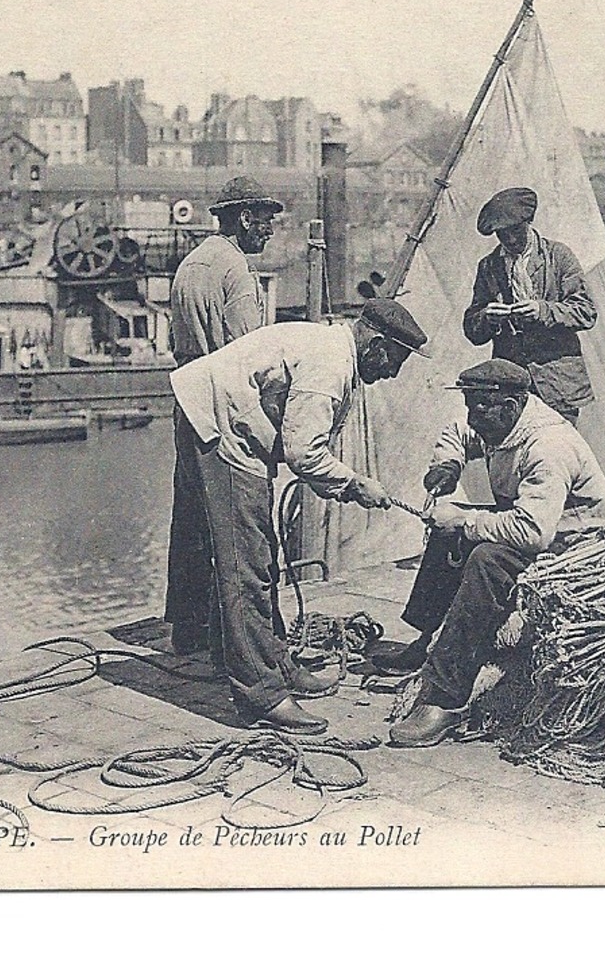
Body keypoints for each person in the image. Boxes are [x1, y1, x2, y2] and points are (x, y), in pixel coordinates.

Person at [170, 299, 430, 735]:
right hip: (222, 426)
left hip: (211, 409)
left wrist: (342, 483)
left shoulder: (334, 349)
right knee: (247, 564)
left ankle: (268, 662)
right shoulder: (331, 364)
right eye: (396, 361)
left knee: (251, 554)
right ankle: (262, 695)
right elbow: (304, 453)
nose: (392, 373)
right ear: (378, 346)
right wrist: (354, 484)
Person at [378, 358, 605, 748]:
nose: (470, 417)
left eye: (478, 408)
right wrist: (448, 464)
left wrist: (463, 520)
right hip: (542, 526)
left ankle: (445, 698)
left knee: (486, 560)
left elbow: (532, 532)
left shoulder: (548, 445)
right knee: (448, 532)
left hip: (580, 544)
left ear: (510, 407)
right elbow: (457, 433)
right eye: (469, 406)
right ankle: (425, 641)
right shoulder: (499, 421)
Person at [164, 177, 282, 656]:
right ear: (245, 219)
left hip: (187, 406)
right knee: (241, 535)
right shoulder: (236, 271)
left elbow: (176, 344)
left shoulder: (190, 265)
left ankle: (189, 630)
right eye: (267, 222)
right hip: (225, 416)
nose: (270, 232)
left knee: (191, 522)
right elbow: (248, 356)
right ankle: (249, 650)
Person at [462, 187, 598, 425]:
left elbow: (586, 312)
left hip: (558, 386)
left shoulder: (558, 256)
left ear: (528, 222)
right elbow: (472, 330)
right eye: (502, 235)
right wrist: (487, 318)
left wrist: (542, 310)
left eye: (515, 231)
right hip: (509, 392)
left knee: (556, 454)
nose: (510, 240)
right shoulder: (489, 266)